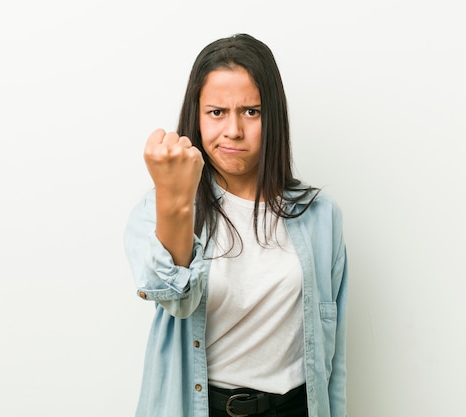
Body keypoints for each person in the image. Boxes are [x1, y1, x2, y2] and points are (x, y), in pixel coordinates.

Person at [124, 33, 348, 417]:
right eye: (216, 112)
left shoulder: (320, 216)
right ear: (196, 115)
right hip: (203, 407)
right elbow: (175, 299)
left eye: (251, 111)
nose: (233, 131)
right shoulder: (159, 207)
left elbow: (334, 358)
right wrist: (175, 197)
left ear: (272, 115)